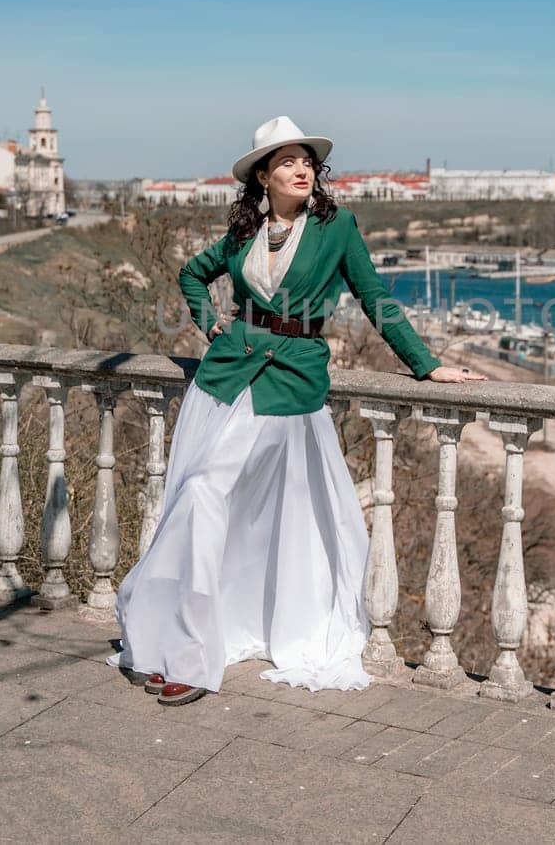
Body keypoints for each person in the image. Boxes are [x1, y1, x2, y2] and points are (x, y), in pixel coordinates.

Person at [112, 116, 485, 706]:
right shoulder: (242, 234)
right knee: (202, 499)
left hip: (290, 383)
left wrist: (425, 363)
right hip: (227, 377)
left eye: (307, 160)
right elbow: (192, 274)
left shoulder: (337, 229)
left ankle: (207, 640)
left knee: (262, 511)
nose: (301, 168)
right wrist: (209, 323)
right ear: (263, 176)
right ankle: (182, 641)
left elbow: (375, 297)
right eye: (286, 161)